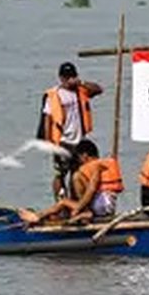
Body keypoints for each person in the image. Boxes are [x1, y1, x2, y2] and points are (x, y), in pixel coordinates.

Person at [36, 61, 104, 200]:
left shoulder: (81, 90)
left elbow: (98, 89)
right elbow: (48, 120)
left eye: (71, 76)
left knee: (78, 173)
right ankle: (60, 202)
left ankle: (75, 202)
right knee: (60, 174)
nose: (69, 80)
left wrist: (81, 82)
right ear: (61, 78)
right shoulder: (54, 95)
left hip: (79, 142)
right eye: (66, 77)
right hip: (62, 142)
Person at [18, 139, 124, 226]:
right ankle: (81, 212)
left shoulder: (96, 167)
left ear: (85, 156)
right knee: (67, 201)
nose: (80, 162)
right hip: (107, 207)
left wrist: (79, 208)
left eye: (80, 158)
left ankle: (37, 216)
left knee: (64, 200)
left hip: (101, 206)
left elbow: (91, 189)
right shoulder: (105, 164)